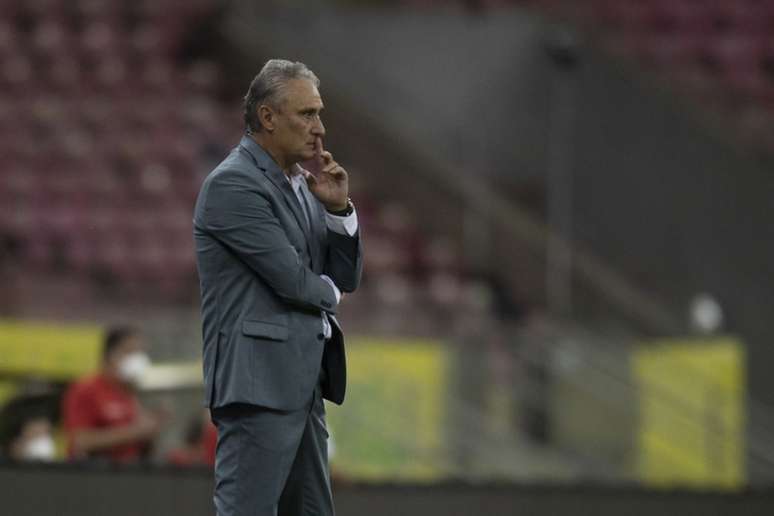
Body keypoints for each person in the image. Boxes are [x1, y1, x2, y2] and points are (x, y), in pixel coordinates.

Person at [193, 59, 362, 516]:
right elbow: (292, 281)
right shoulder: (233, 184)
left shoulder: (304, 187)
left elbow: (344, 277)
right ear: (268, 117)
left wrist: (338, 211)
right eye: (306, 114)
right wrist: (330, 296)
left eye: (319, 113)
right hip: (257, 385)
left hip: (301, 383)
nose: (319, 128)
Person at [61, 326, 165, 463]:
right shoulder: (86, 389)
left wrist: (152, 428)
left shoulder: (128, 393)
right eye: (130, 352)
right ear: (109, 355)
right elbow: (80, 441)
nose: (137, 360)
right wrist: (137, 432)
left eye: (140, 353)